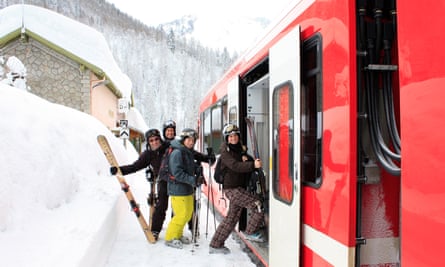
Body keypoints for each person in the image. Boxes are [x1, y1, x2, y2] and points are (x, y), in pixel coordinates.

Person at [209, 123, 265, 254]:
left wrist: (249, 160)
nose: (233, 138)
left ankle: (215, 244)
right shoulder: (225, 153)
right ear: (226, 139)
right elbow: (235, 166)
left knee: (232, 217)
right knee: (258, 204)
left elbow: (245, 162)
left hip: (238, 187)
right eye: (230, 136)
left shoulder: (239, 150)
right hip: (232, 189)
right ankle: (251, 232)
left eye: (235, 136)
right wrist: (252, 165)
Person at [110, 128, 168, 240]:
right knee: (161, 206)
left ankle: (181, 230)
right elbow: (135, 167)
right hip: (163, 181)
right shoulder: (147, 154)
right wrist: (118, 170)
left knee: (180, 206)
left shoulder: (168, 148)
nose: (155, 142)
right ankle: (155, 231)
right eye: (151, 140)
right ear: (148, 142)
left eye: (156, 139)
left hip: (176, 180)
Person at [164, 128, 205, 249]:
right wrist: (193, 180)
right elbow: (177, 173)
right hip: (178, 189)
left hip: (187, 189)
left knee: (187, 214)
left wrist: (197, 169)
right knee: (181, 214)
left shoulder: (187, 151)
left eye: (193, 140)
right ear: (183, 140)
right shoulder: (177, 152)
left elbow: (188, 168)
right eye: (189, 140)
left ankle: (178, 234)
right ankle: (170, 237)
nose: (191, 142)